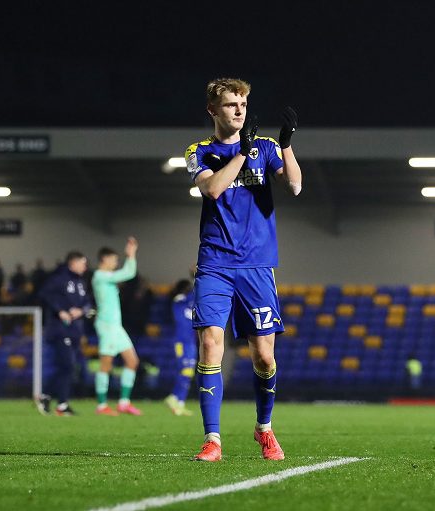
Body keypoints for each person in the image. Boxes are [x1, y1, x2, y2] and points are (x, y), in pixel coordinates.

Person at [184, 77, 301, 461]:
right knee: (210, 345)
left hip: (257, 267)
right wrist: (240, 155)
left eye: (244, 105)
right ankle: (212, 439)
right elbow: (213, 189)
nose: (239, 110)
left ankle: (264, 429)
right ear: (212, 110)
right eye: (231, 104)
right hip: (215, 264)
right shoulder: (198, 152)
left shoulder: (265, 149)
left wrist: (285, 145)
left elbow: (296, 186)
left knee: (264, 358)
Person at [35, 251, 92, 416]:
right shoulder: (59, 279)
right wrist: (61, 310)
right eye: (82, 262)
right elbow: (45, 294)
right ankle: (60, 403)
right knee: (67, 366)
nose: (85, 266)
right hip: (60, 330)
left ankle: (51, 399)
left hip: (75, 331)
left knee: (66, 368)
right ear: (72, 263)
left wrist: (81, 311)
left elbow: (88, 302)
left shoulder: (81, 282)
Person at [91, 239, 143, 416]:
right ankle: (101, 405)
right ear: (104, 259)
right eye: (114, 259)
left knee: (132, 362)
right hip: (106, 326)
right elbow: (129, 273)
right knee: (106, 364)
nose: (116, 262)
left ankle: (123, 403)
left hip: (116, 327)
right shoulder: (100, 276)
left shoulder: (107, 278)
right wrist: (131, 254)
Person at [164, 277, 197, 416]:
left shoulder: (190, 302)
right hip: (181, 342)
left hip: (191, 341)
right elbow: (194, 294)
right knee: (185, 370)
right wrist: (198, 278)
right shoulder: (179, 300)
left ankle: (179, 403)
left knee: (189, 371)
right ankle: (174, 397)